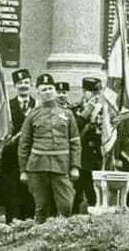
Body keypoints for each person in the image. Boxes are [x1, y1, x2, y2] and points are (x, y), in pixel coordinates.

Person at [18, 73, 81, 223]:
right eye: (44, 89)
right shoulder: (32, 115)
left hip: (61, 165)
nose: (48, 91)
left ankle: (62, 237)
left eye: (50, 88)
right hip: (37, 166)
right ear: (37, 92)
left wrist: (75, 166)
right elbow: (24, 144)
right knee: (41, 207)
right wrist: (23, 170)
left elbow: (75, 141)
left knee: (66, 205)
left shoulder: (67, 114)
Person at [0, 68, 37, 223]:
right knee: (13, 201)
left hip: (32, 158)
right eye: (20, 83)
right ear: (15, 86)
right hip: (11, 160)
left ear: (31, 84)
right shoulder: (7, 106)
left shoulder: (38, 104)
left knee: (30, 200)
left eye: (26, 82)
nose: (24, 86)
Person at [71, 77, 103, 213]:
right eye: (91, 92)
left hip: (95, 158)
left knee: (95, 197)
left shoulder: (103, 110)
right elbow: (74, 131)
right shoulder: (74, 109)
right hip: (79, 158)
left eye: (97, 92)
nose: (95, 96)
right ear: (84, 92)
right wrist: (86, 112)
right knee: (75, 196)